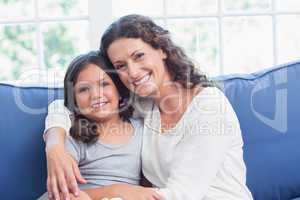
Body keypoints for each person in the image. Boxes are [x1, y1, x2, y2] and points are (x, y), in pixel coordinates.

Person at [44, 15, 253, 200]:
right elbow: (63, 107)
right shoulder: (145, 104)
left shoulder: (210, 107)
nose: (133, 72)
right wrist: (54, 147)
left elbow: (181, 195)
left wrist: (109, 194)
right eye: (121, 66)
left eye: (139, 56)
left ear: (161, 49)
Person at [38, 51, 160, 200]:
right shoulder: (75, 134)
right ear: (74, 101)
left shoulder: (143, 130)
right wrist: (117, 191)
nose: (95, 95)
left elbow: (148, 185)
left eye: (104, 84)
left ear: (119, 90)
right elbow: (62, 193)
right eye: (83, 89)